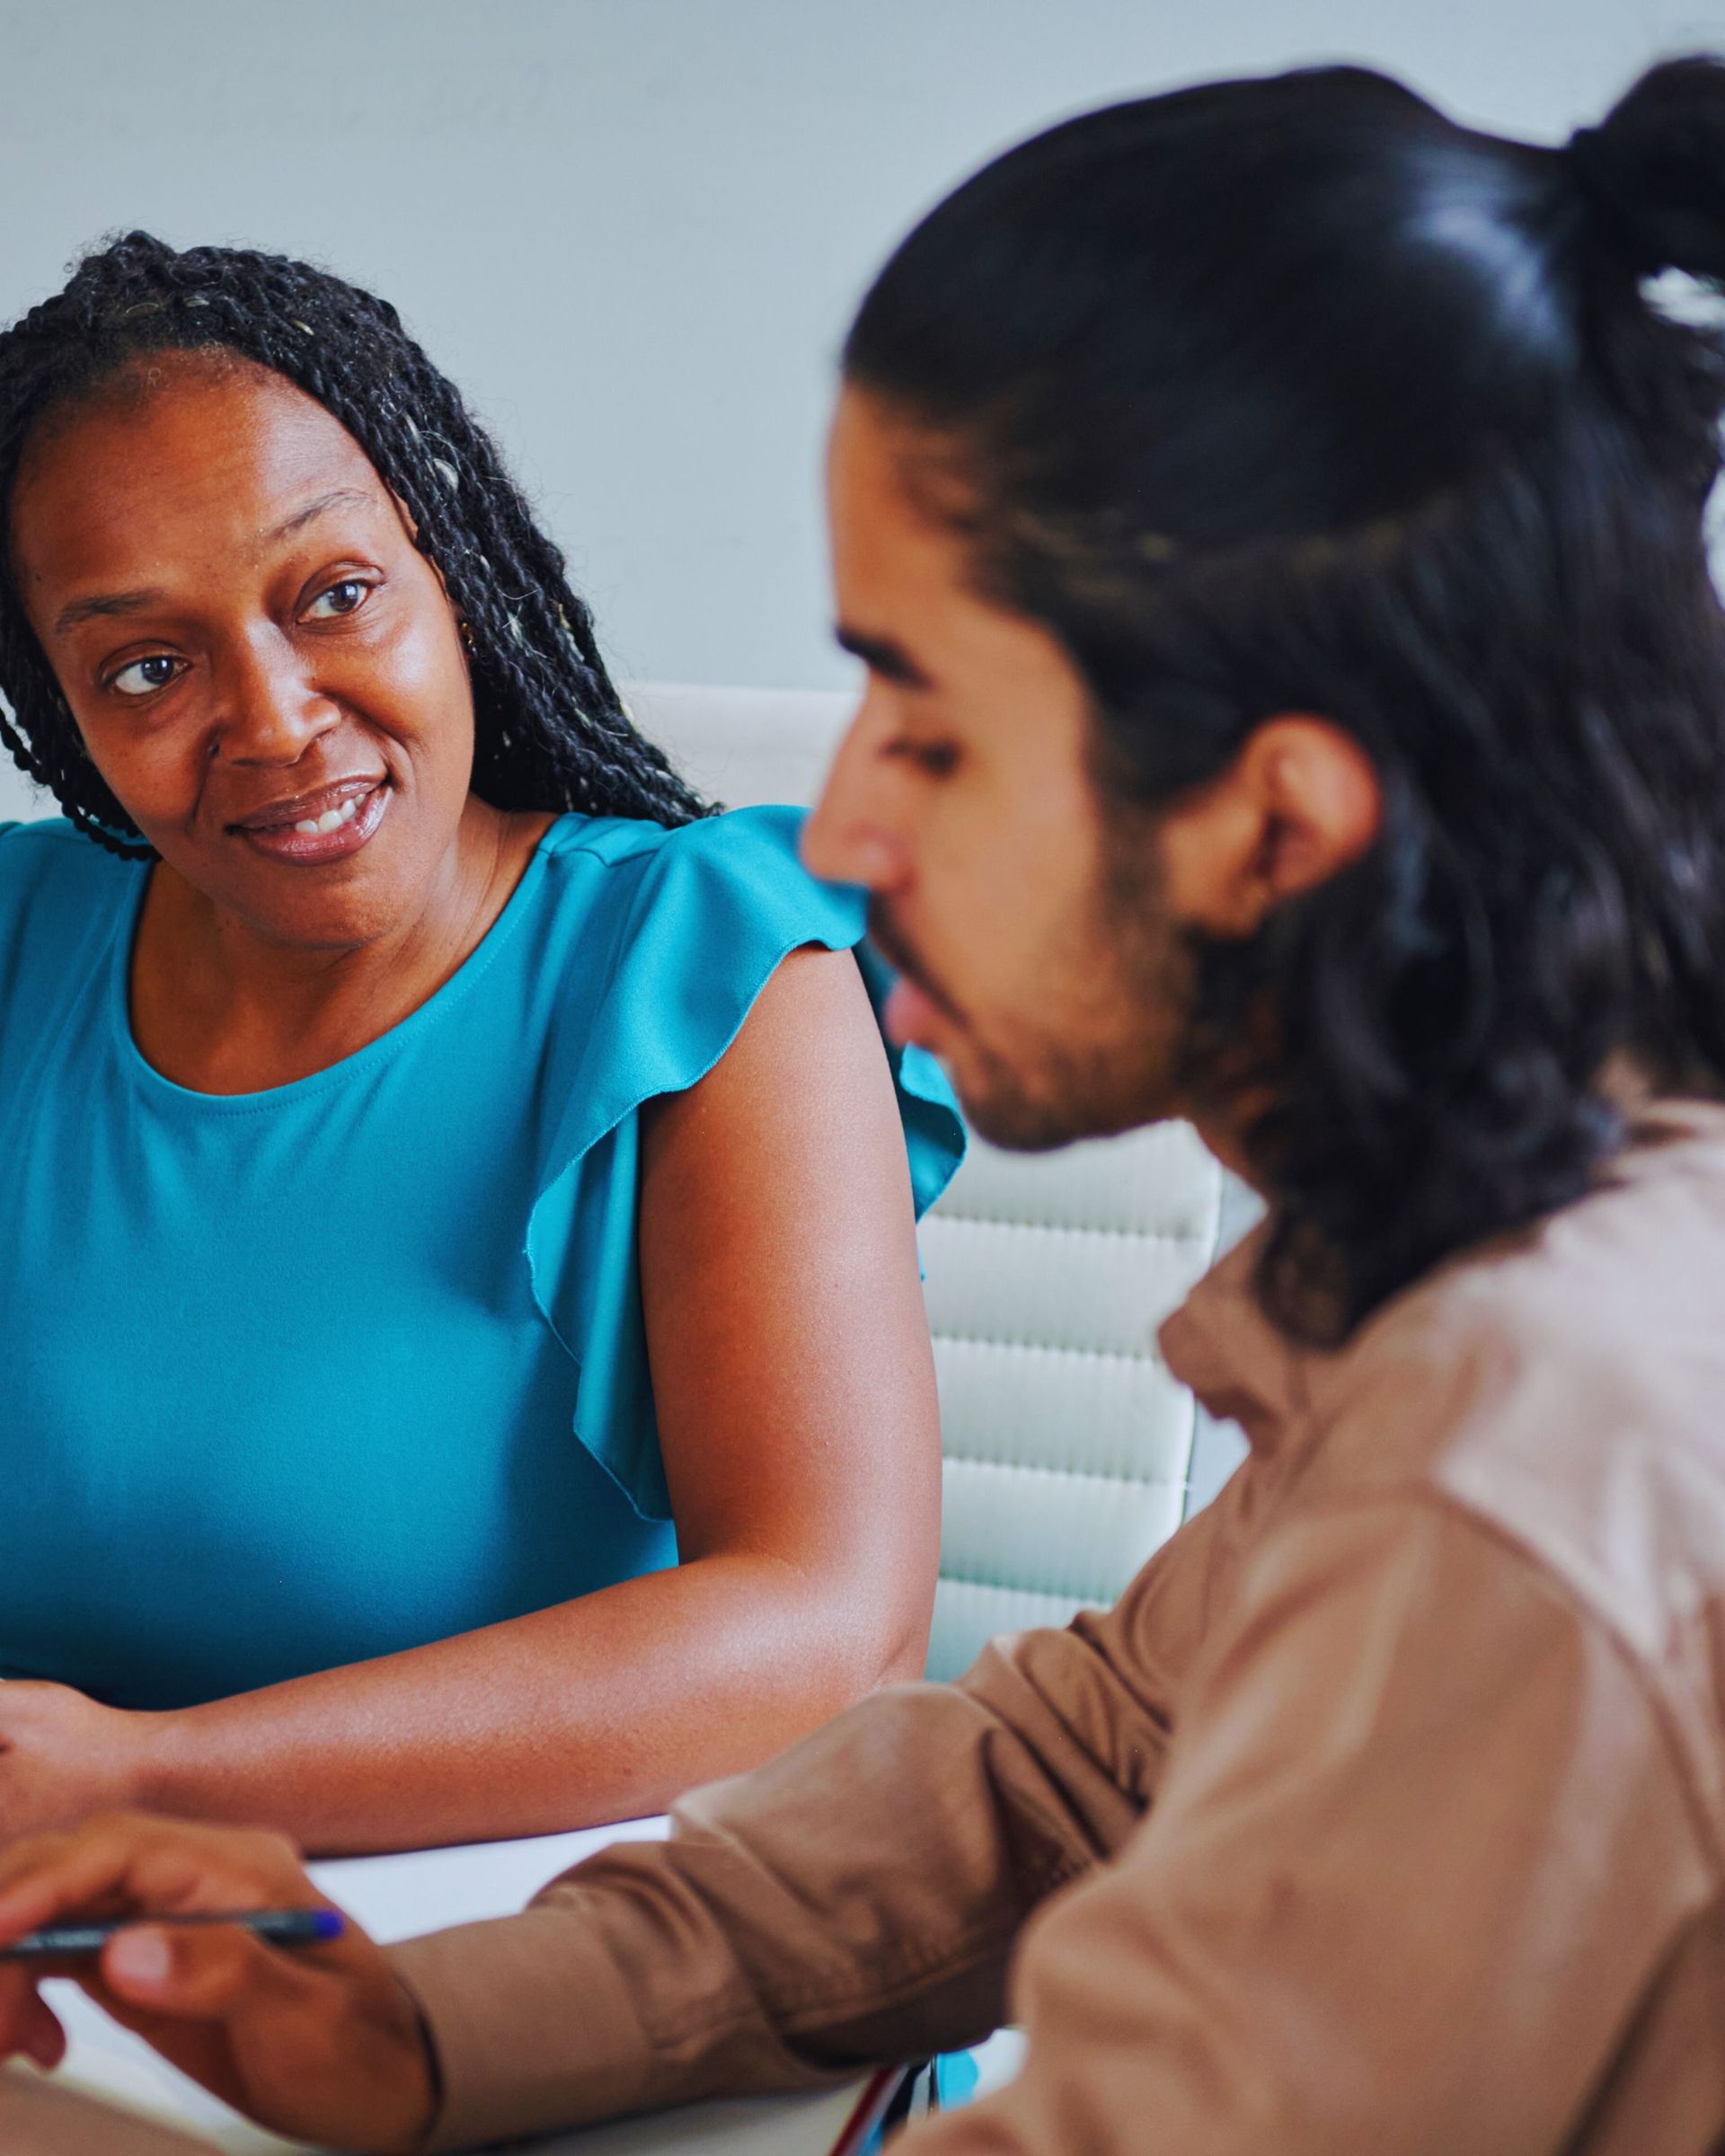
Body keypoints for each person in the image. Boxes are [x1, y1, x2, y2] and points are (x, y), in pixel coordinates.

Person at [6, 49, 1725, 2154]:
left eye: (929, 716)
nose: (842, 818)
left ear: (1274, 819)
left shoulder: (1532, 1489)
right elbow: (1073, 1767)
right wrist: (425, 2039)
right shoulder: (1447, 1305)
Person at [0, 234, 964, 1854]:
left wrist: (143, 1780)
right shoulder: (20, 945)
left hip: (542, 1993)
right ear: (66, 710)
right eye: (148, 667)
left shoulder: (699, 968)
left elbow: (831, 1630)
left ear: (452, 570)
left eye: (335, 595)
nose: (276, 717)